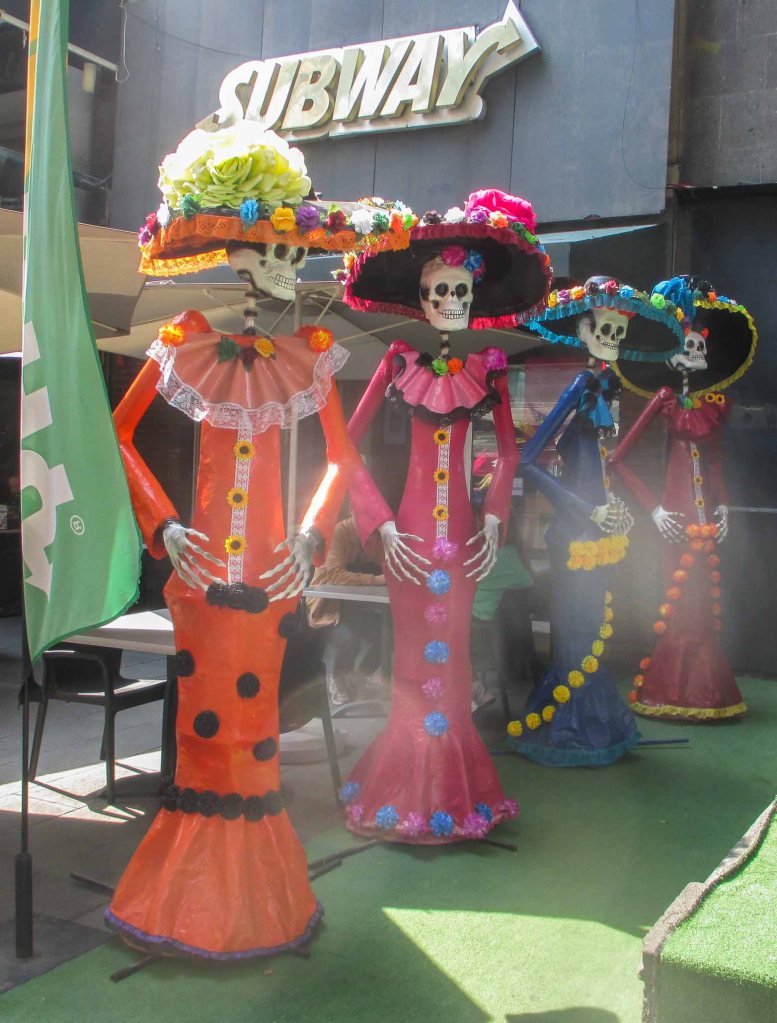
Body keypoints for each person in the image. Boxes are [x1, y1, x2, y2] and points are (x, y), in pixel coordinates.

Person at [106, 122, 367, 960]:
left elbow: (341, 458)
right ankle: (188, 896)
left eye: (298, 250)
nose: (293, 266)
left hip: (271, 579)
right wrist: (163, 522)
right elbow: (117, 434)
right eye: (279, 248)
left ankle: (256, 897)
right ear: (241, 251)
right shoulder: (184, 339)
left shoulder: (307, 354)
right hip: (200, 577)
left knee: (254, 738)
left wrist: (312, 532)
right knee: (203, 736)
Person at [337, 189, 551, 843]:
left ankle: (451, 785)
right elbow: (342, 444)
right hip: (404, 539)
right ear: (423, 299)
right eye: (440, 292)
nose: (452, 302)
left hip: (463, 540)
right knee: (410, 659)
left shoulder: (489, 370)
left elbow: (509, 454)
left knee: (453, 656)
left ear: (472, 297)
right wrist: (376, 521)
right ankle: (407, 783)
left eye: (461, 292)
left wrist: (494, 517)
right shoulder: (397, 362)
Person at [506, 277, 685, 767]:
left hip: (598, 531)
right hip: (575, 533)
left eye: (618, 332)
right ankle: (567, 725)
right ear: (584, 331)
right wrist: (589, 510)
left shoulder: (601, 387)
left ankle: (591, 723)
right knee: (576, 630)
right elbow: (527, 461)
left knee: (591, 629)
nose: (611, 339)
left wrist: (611, 508)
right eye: (604, 329)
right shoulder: (580, 387)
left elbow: (595, 464)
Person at [609, 276, 756, 721]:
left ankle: (703, 689)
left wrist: (724, 507)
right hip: (673, 521)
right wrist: (654, 510)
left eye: (699, 347)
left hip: (707, 520)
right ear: (673, 354)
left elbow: (715, 466)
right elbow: (617, 459)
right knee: (679, 603)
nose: (693, 353)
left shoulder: (714, 405)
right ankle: (671, 687)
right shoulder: (664, 401)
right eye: (687, 346)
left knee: (703, 604)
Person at [306, 514, 386, 705]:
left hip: (359, 607)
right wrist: (376, 579)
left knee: (388, 635)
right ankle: (339, 681)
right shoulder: (339, 533)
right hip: (329, 607)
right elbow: (335, 576)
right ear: (352, 511)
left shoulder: (377, 533)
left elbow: (386, 564)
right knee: (348, 640)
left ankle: (359, 678)